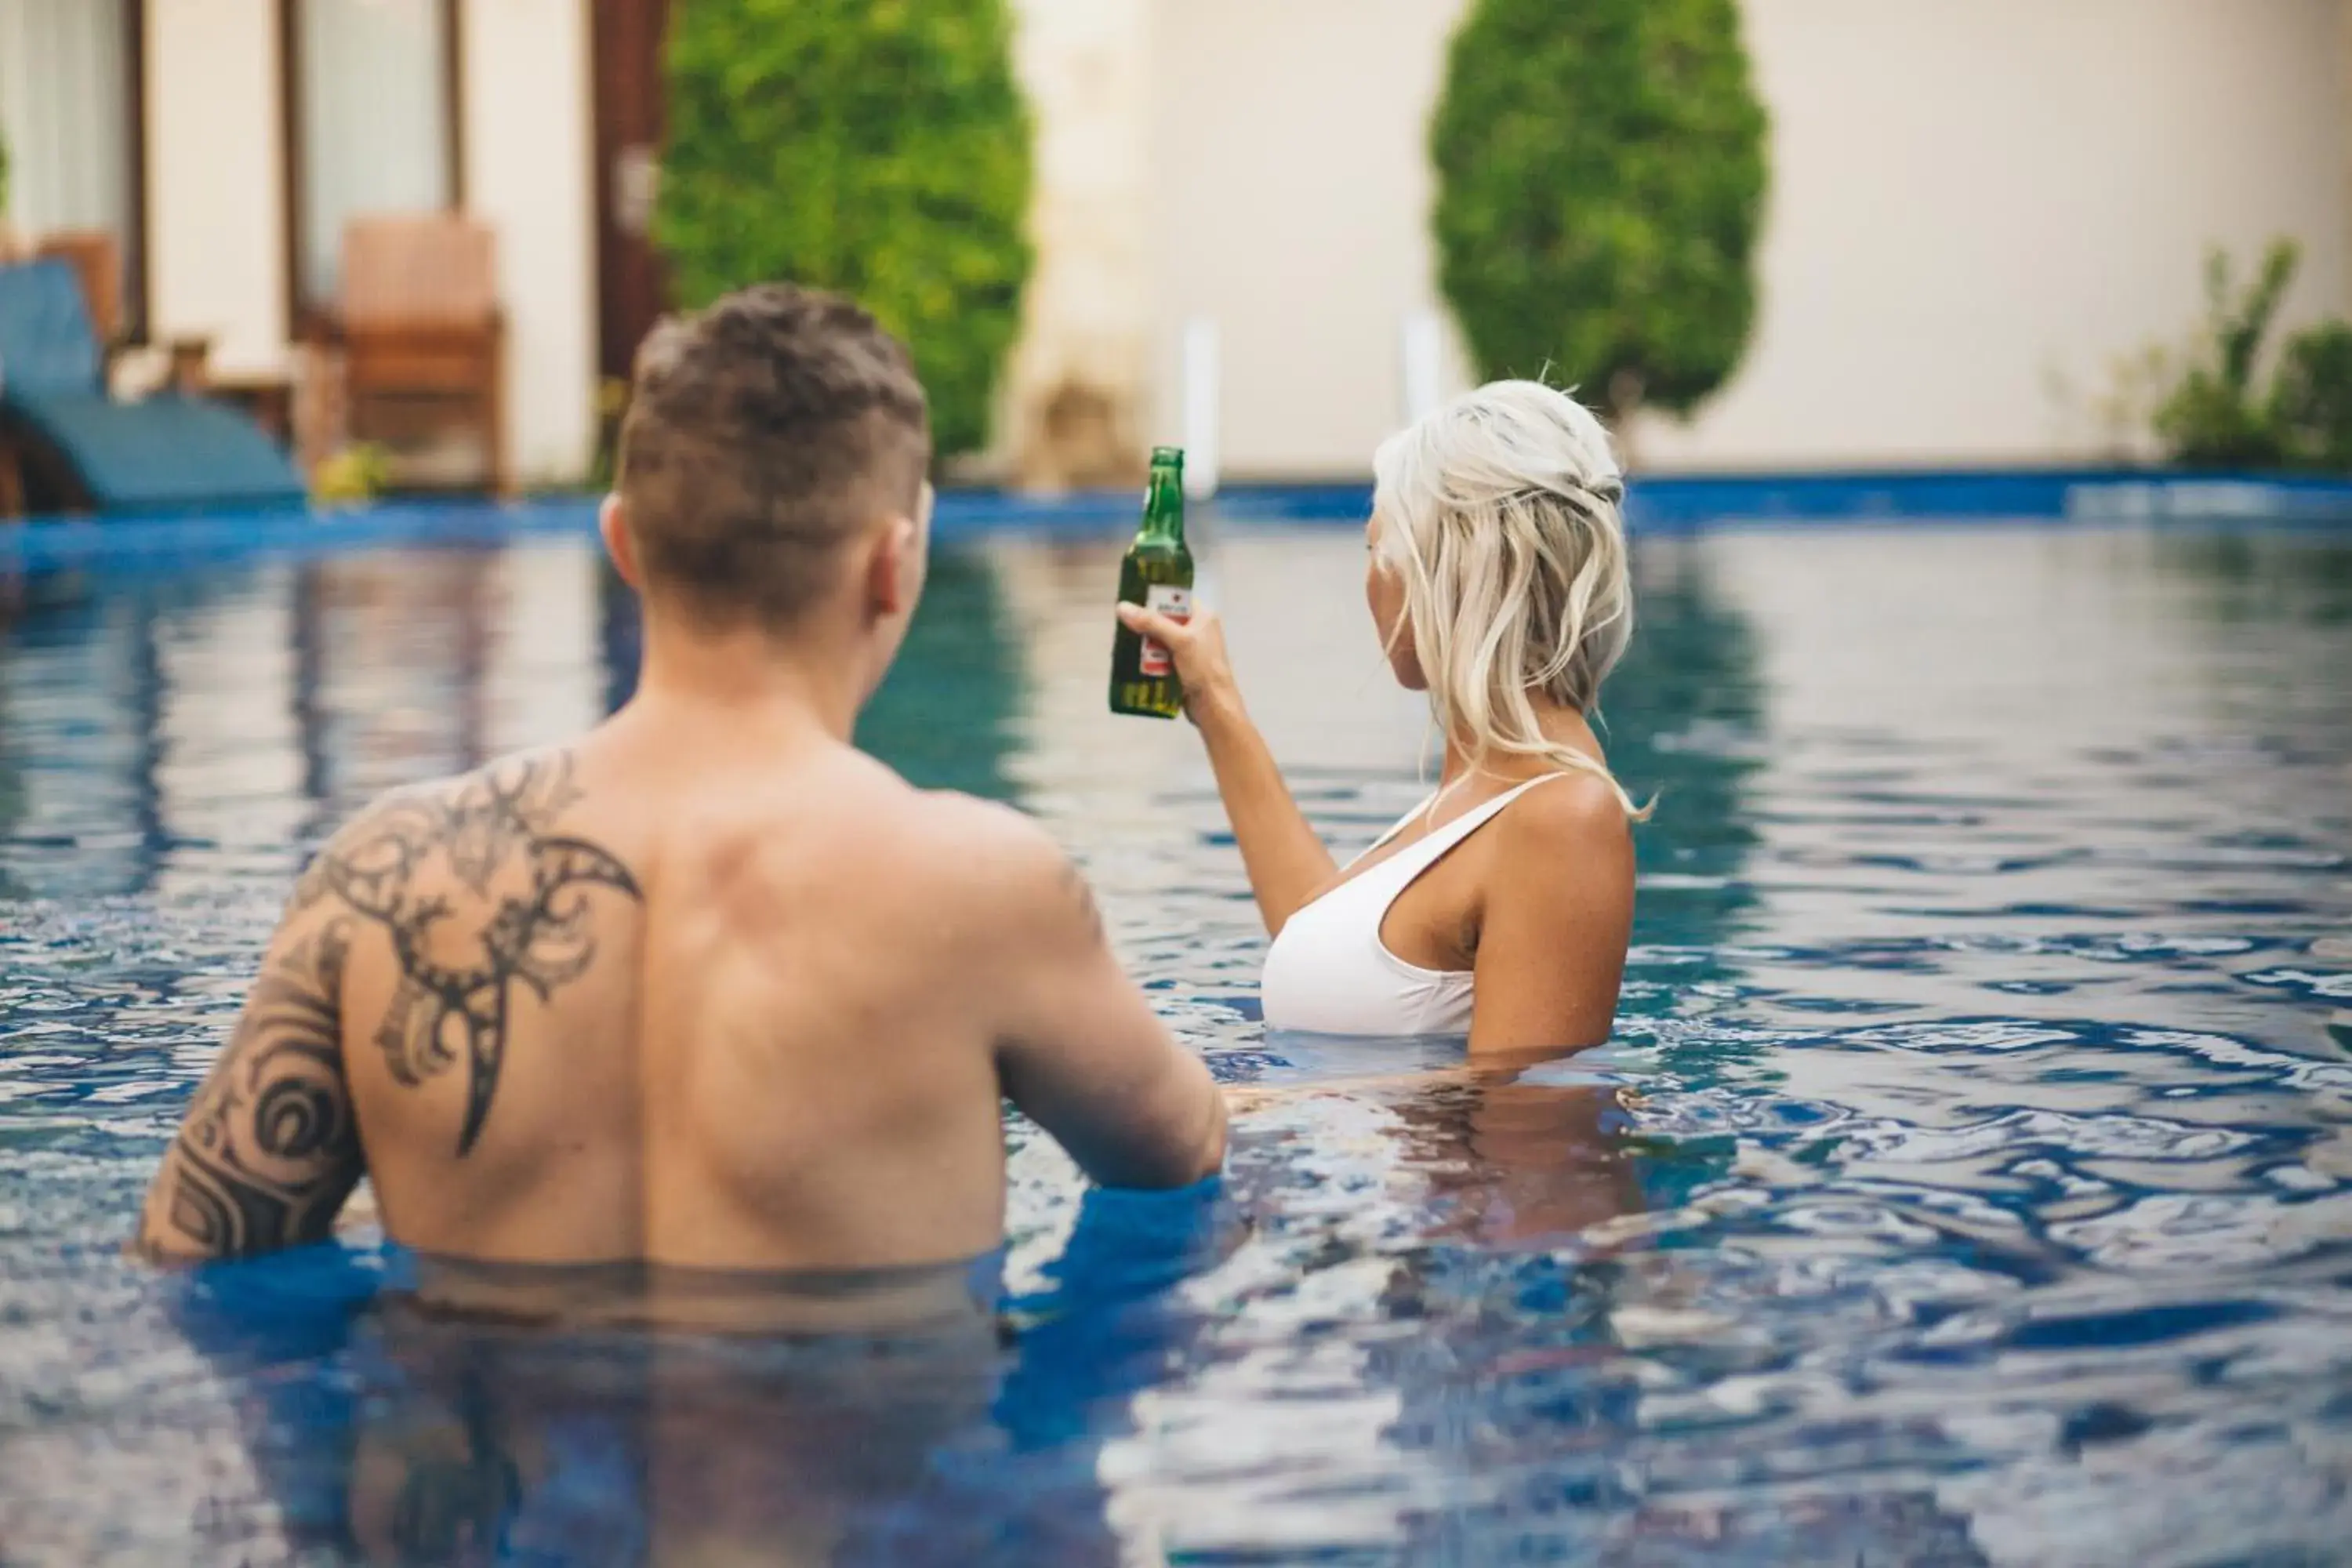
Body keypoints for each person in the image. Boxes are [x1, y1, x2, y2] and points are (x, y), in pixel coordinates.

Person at [137, 283, 1227, 1286]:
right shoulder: (988, 888)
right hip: (875, 1490)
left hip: (498, 1480)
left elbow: (189, 1252)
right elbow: (1184, 1158)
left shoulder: (379, 876)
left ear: (622, 544)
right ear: (893, 565)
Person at [1119, 380, 1641, 1052]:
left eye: (1375, 551)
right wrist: (1213, 703)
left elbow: (1529, 1117)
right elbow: (1326, 939)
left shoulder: (1562, 817)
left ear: (1442, 574)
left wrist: (1248, 1106)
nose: (1369, 581)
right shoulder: (1483, 789)